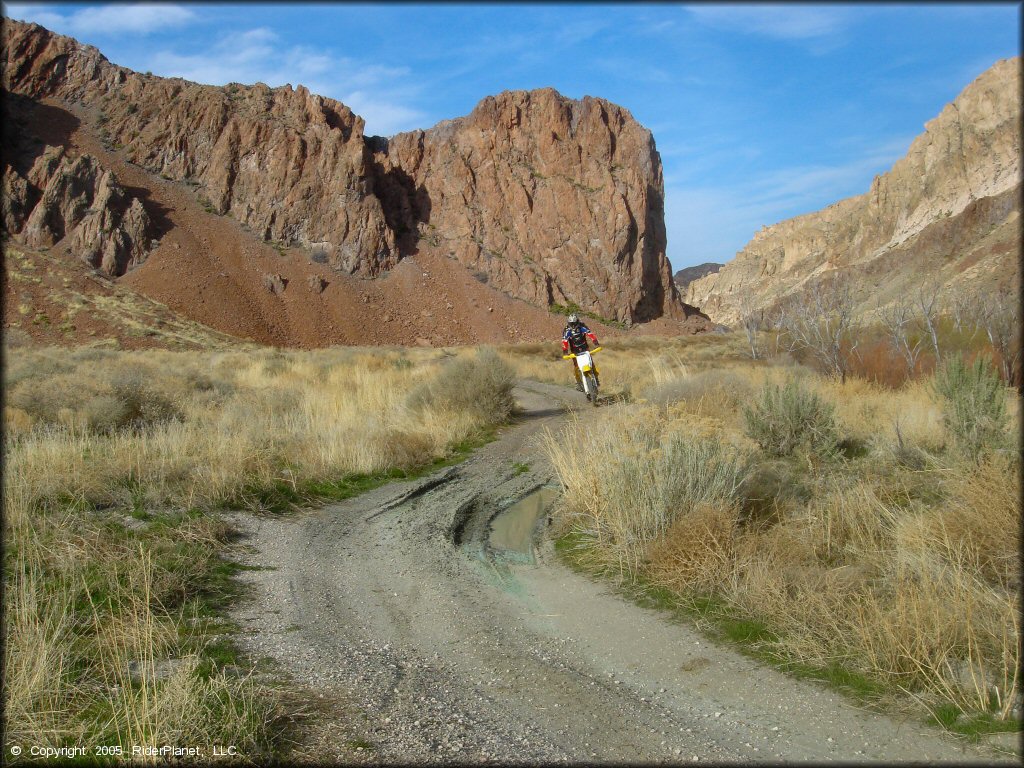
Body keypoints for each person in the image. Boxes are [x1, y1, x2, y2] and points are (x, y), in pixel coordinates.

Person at [561, 313, 600, 391]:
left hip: (585, 348)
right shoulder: (566, 330)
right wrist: (565, 352)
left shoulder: (582, 326)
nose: (573, 325)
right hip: (574, 351)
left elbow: (590, 334)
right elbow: (564, 341)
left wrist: (596, 344)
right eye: (571, 323)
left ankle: (596, 378)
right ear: (569, 322)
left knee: (591, 363)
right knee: (576, 366)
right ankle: (578, 382)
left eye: (574, 323)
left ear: (577, 321)